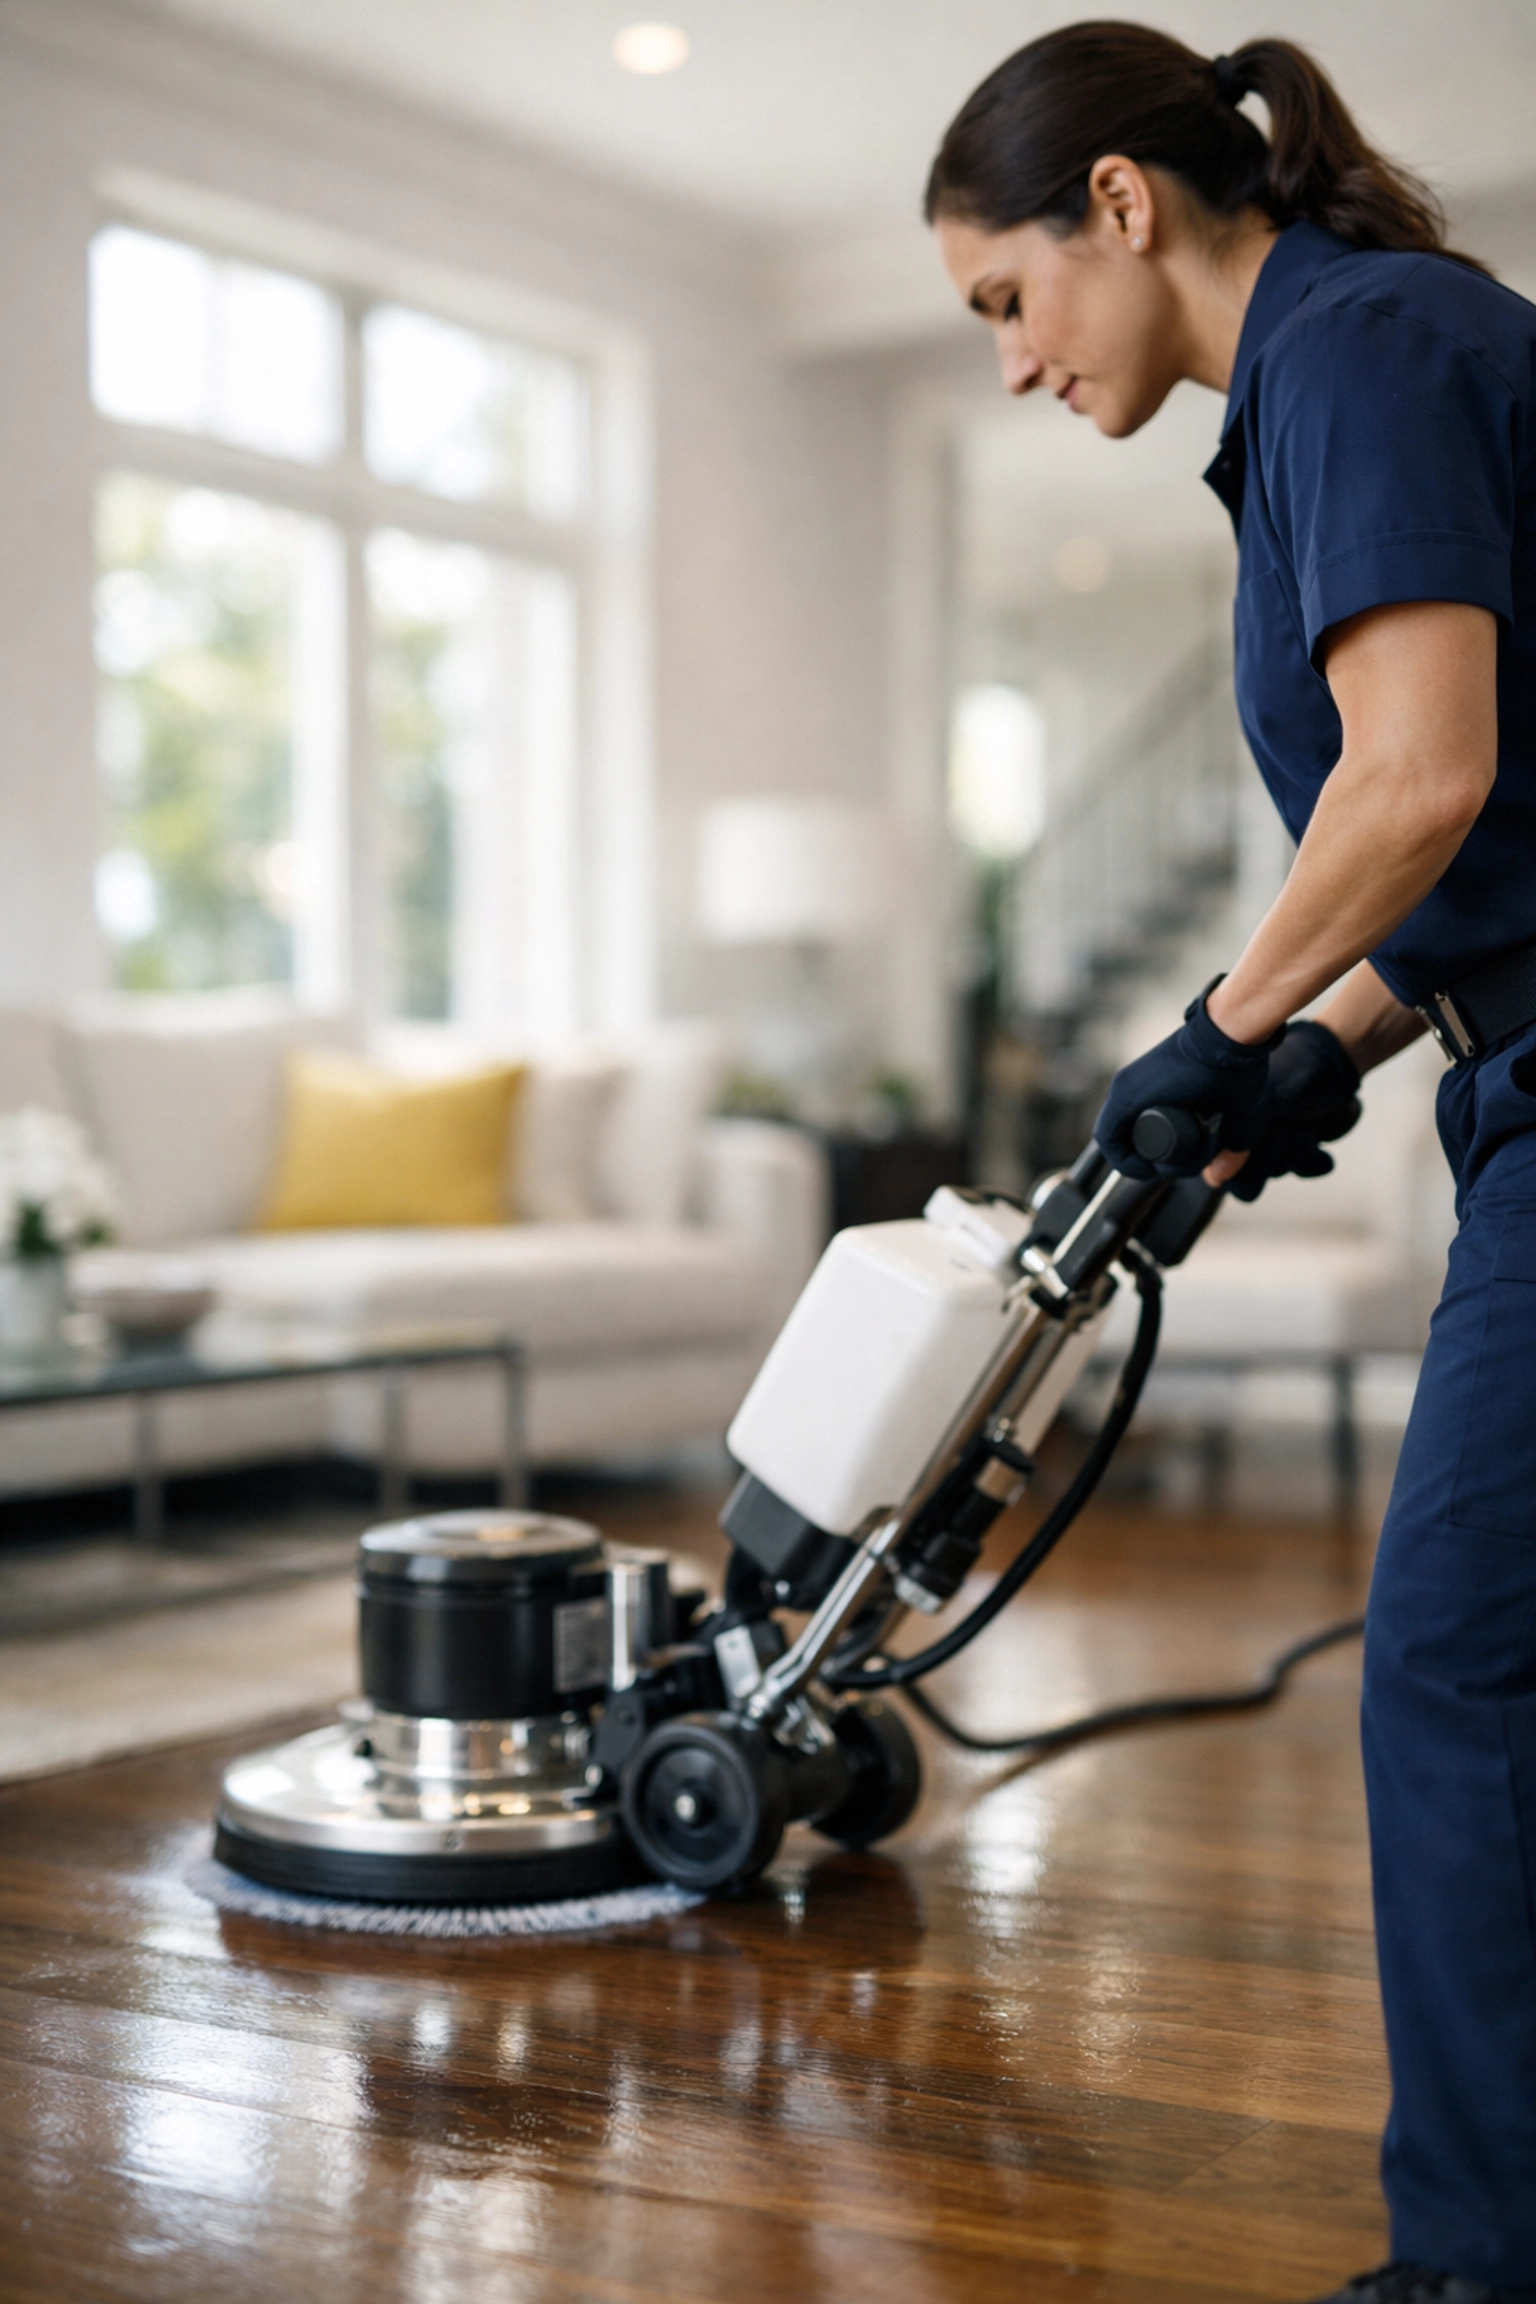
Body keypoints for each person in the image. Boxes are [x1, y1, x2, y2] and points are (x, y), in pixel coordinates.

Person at [925, 24, 1536, 2304]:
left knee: (1466, 1667)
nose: (1008, 365)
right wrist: (1310, 1060)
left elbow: (1420, 784)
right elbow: (1484, 868)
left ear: (1116, 204)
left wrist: (1216, 1029)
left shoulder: (1363, 343)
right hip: (1512, 1074)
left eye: (1004, 301)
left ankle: (1480, 2263)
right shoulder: (1322, 394)